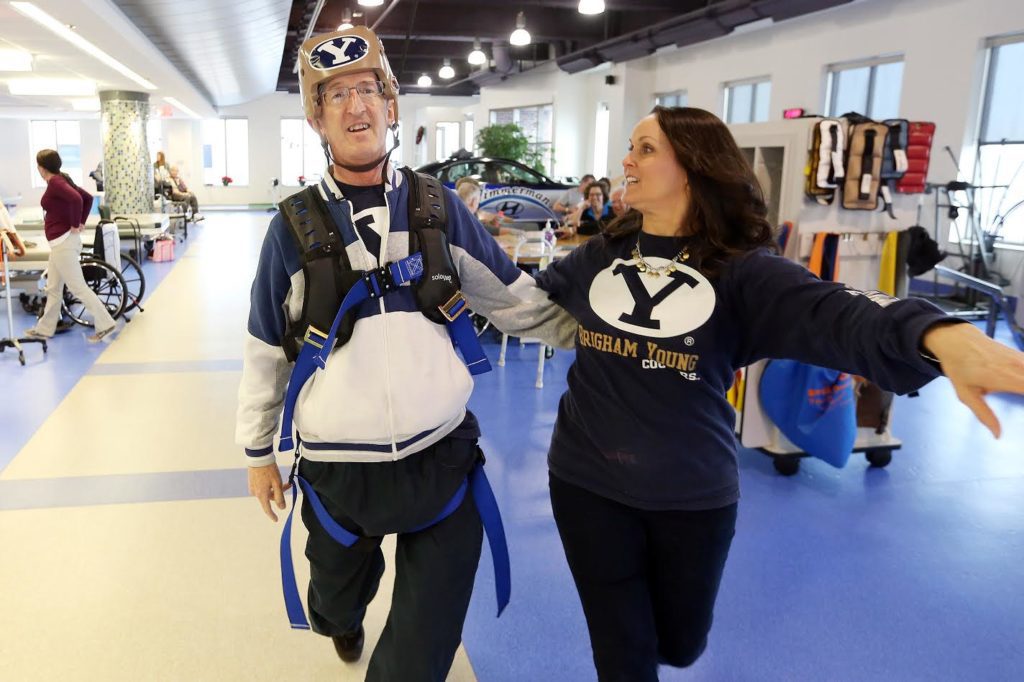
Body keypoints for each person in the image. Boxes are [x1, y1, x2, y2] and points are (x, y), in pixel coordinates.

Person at [533, 106, 1024, 681]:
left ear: (692, 167)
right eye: (631, 147)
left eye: (645, 148)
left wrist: (934, 332)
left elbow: (837, 312)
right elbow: (528, 301)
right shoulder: (602, 255)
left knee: (680, 643)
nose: (626, 160)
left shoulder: (742, 272)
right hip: (585, 479)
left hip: (690, 492)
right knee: (623, 650)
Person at [235, 26, 574, 681]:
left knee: (420, 656)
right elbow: (262, 348)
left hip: (442, 461)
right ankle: (343, 615)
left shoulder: (436, 207)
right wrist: (257, 452)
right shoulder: (292, 227)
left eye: (368, 89)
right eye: (335, 95)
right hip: (339, 475)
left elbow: (514, 300)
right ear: (316, 118)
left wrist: (604, 332)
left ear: (392, 105)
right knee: (333, 605)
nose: (355, 106)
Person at [24, 150, 119, 344]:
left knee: (77, 287)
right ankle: (45, 329)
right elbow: (88, 198)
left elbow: (77, 199)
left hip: (63, 243)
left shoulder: (57, 183)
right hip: (61, 244)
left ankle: (105, 323)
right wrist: (80, 221)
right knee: (53, 288)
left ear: (42, 168)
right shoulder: (61, 179)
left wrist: (76, 223)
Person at [455, 177, 520, 236]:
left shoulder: (467, 212)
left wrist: (492, 222)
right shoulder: (461, 217)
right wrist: (511, 231)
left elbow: (480, 225)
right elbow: (480, 229)